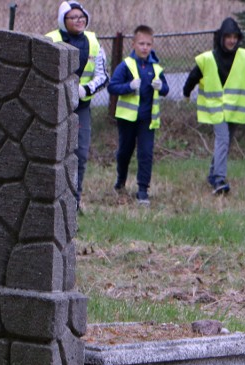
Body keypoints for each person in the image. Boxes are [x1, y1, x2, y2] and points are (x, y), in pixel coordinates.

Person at [182, 17, 245, 195]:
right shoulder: (208, 59)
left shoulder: (244, 58)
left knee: (226, 143)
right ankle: (219, 180)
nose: (232, 40)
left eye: (235, 37)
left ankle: (212, 175)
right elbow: (193, 77)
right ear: (221, 38)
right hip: (216, 110)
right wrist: (186, 92)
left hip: (235, 110)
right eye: (228, 37)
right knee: (222, 140)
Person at [46, 1, 109, 213]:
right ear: (63, 21)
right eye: (72, 18)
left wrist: (87, 90)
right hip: (54, 107)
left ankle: (74, 202)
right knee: (53, 153)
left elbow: (103, 76)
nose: (78, 21)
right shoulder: (50, 40)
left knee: (80, 154)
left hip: (81, 107)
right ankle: (51, 201)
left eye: (81, 17)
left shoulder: (93, 41)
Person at [107, 25, 169, 206]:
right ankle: (121, 181)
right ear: (133, 44)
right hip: (127, 119)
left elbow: (166, 89)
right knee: (125, 152)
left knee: (146, 153)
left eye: (148, 44)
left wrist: (161, 87)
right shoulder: (126, 65)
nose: (145, 47)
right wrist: (129, 87)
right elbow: (112, 86)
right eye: (141, 43)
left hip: (147, 120)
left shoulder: (156, 67)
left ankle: (143, 190)